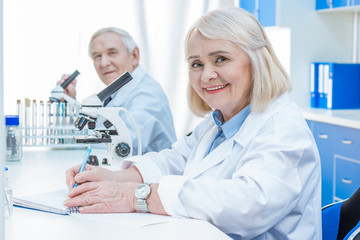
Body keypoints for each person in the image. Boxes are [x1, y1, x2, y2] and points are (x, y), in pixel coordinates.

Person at [64, 7, 322, 239]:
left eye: (221, 59)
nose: (207, 75)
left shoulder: (283, 130)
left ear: (256, 61)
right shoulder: (220, 120)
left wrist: (135, 195)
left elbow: (246, 205)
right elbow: (175, 160)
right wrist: (116, 178)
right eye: (196, 64)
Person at [58, 27, 177, 155]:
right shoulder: (115, 93)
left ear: (135, 55)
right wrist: (70, 104)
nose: (104, 63)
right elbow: (91, 134)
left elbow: (121, 145)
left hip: (147, 174)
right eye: (97, 56)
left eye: (112, 52)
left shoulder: (147, 95)